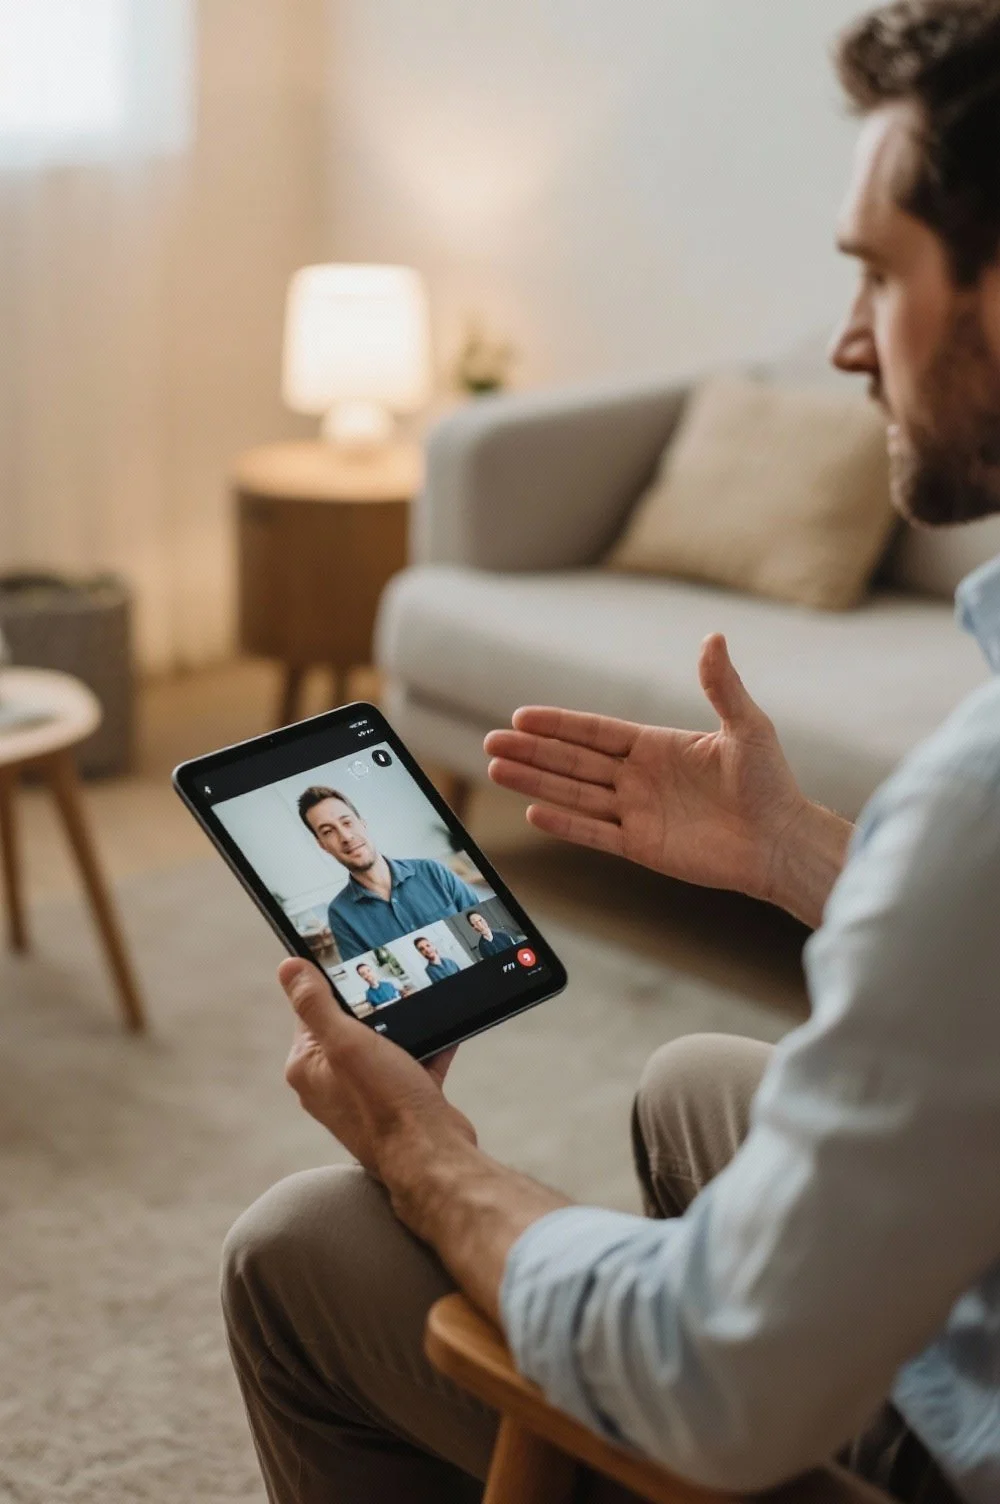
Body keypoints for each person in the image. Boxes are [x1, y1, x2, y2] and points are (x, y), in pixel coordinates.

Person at [222, 6, 1000, 1501]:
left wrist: (430, 1155)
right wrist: (801, 858)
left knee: (299, 1250)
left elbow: (710, 1380)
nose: (844, 342)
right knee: (700, 1079)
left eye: (877, 274)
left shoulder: (977, 800)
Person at [297, 785, 481, 961]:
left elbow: (485, 922)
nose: (346, 836)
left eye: (347, 822)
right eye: (328, 831)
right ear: (322, 844)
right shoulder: (340, 915)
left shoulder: (431, 870)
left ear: (362, 823)